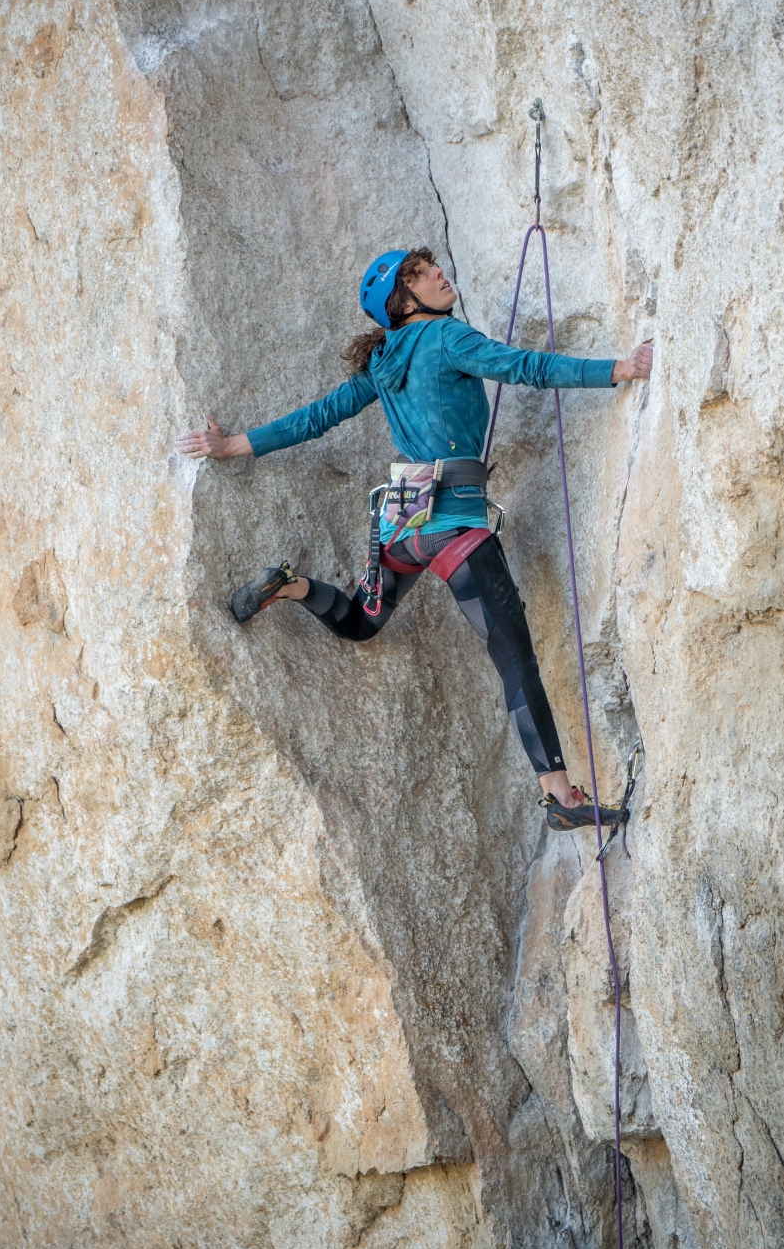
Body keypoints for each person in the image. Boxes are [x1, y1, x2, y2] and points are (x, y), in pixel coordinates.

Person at [176, 248, 652, 830]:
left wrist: (230, 447)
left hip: (399, 528)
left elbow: (317, 416)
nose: (437, 273)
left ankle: (294, 586)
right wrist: (620, 369)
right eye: (420, 274)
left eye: (429, 265)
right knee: (514, 659)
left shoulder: (382, 362)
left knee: (360, 622)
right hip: (453, 524)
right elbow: (525, 367)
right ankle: (562, 797)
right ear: (404, 302)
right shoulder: (447, 338)